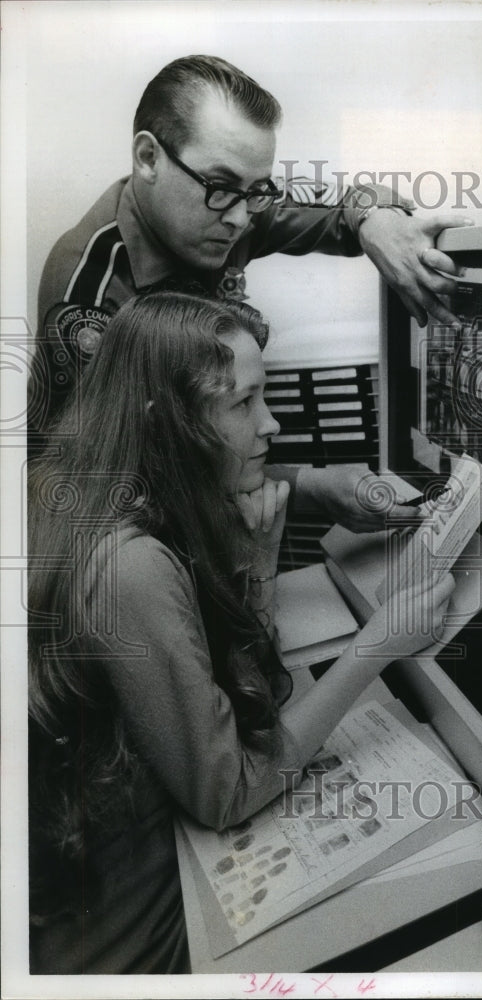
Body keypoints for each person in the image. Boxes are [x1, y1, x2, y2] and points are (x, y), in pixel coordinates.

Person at [27, 292, 454, 974]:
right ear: (164, 424)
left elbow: (236, 697)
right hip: (120, 942)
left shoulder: (86, 483)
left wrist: (257, 568)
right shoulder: (131, 565)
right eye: (244, 403)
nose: (273, 424)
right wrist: (380, 643)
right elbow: (228, 790)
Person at [29, 53, 469, 529]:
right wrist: (308, 486)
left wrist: (376, 220)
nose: (241, 219)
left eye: (256, 190)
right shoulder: (88, 295)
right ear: (148, 157)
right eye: (220, 186)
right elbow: (120, 484)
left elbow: (343, 205)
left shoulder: (231, 207)